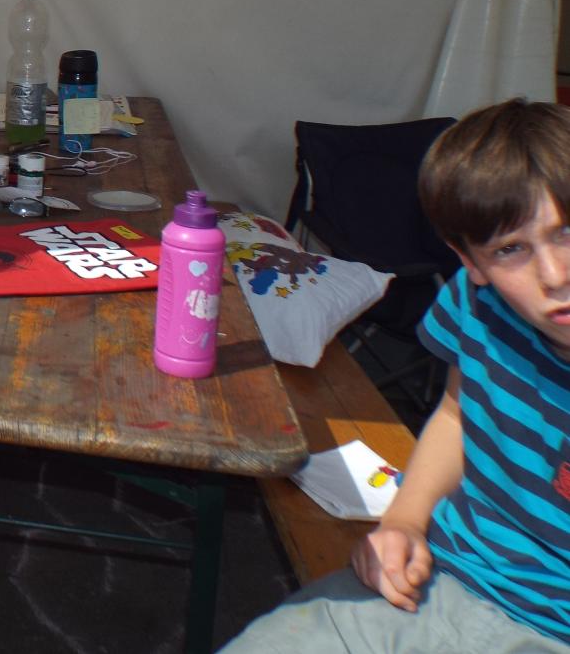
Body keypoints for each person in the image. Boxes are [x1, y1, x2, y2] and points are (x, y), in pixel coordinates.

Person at [222, 99, 570, 653]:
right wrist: (403, 522)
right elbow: (457, 413)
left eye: (566, 232)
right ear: (471, 263)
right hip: (441, 580)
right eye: (511, 249)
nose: (553, 275)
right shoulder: (477, 304)